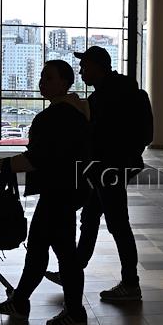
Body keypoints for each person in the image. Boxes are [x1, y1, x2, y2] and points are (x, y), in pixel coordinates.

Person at [0, 60, 92, 325]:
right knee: (41, 248)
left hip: (57, 191)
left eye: (48, 78)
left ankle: (74, 312)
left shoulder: (53, 117)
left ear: (65, 82)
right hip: (69, 189)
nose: (42, 82)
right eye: (42, 77)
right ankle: (21, 301)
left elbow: (36, 159)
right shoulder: (78, 112)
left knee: (61, 253)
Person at [47, 45, 148, 302]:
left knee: (118, 225)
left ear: (96, 66)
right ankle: (72, 270)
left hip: (108, 168)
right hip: (112, 167)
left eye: (84, 66)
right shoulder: (124, 91)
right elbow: (143, 134)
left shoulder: (106, 97)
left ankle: (130, 283)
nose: (81, 71)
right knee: (91, 217)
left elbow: (96, 133)